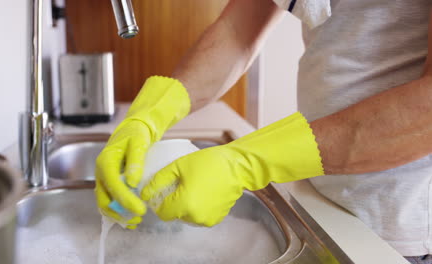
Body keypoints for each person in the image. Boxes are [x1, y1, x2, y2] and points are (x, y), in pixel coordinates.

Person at [95, 0, 432, 262]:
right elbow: (237, 30)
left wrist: (245, 162)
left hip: (400, 232)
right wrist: (150, 114)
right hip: (320, 198)